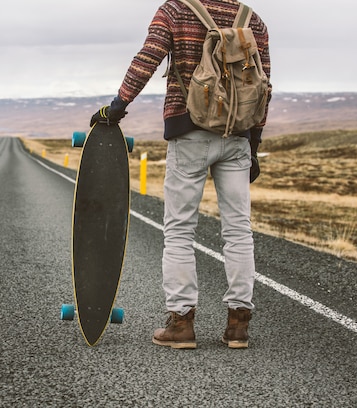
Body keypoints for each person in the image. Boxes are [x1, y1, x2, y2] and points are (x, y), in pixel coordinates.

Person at [91, 0, 271, 349]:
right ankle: (238, 326)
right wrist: (254, 144)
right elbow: (263, 86)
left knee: (179, 229)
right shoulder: (253, 20)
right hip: (237, 135)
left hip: (189, 133)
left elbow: (146, 60)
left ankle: (181, 324)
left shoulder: (175, 11)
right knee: (237, 229)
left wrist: (116, 108)